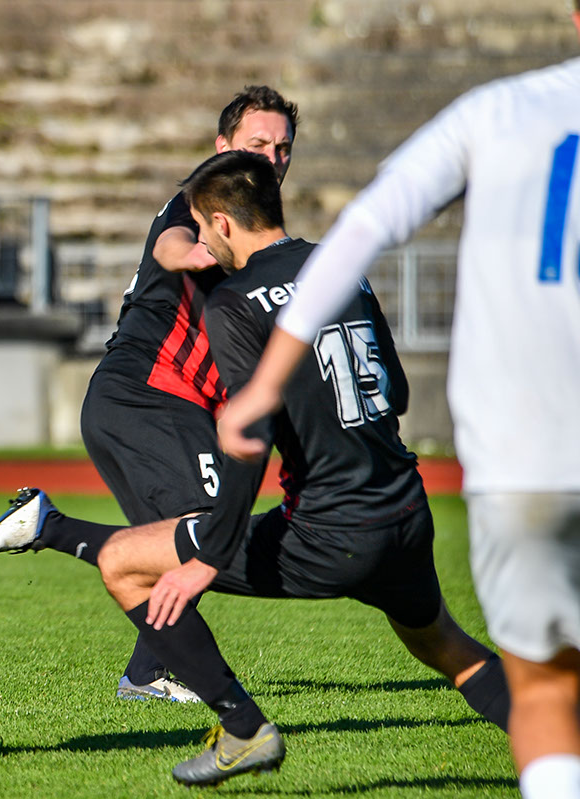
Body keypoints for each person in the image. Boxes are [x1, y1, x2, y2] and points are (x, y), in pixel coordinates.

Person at [0, 150, 509, 787]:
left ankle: (243, 727)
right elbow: (396, 390)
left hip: (330, 531)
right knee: (449, 648)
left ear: (223, 224)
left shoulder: (231, 301)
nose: (202, 242)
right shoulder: (340, 268)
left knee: (124, 565)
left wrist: (208, 558)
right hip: (406, 509)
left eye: (202, 228)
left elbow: (248, 438)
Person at [216, 8, 580, 797]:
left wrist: (267, 381)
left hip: (522, 450)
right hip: (424, 486)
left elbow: (368, 224)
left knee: (547, 687)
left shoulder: (501, 109)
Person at [0, 86, 299, 706]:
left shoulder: (253, 236)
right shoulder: (203, 206)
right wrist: (200, 255)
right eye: (258, 143)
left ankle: (145, 667)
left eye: (282, 148)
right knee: (210, 531)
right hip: (149, 397)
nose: (272, 157)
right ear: (223, 146)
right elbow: (169, 243)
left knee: (176, 544)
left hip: (151, 403)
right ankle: (56, 535)